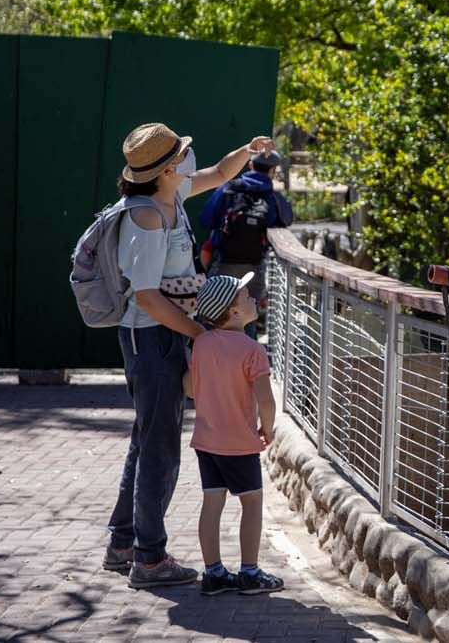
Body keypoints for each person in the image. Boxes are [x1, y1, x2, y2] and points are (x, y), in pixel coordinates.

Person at [103, 123, 274, 589]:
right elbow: (149, 297)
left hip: (166, 335)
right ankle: (150, 559)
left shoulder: (171, 197)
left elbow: (220, 173)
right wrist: (203, 334)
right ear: (166, 169)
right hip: (152, 339)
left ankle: (124, 543)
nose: (188, 157)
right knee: (159, 448)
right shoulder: (146, 219)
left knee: (147, 438)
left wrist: (248, 149)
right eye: (180, 153)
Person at [183, 273, 284, 596]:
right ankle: (250, 573)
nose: (253, 297)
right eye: (246, 296)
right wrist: (266, 429)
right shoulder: (252, 350)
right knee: (252, 503)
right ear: (235, 312)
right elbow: (266, 400)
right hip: (239, 444)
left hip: (206, 440)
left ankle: (213, 573)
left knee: (212, 502)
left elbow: (189, 388)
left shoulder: (201, 344)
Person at [199, 150, 293, 337]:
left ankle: (209, 359)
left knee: (212, 316)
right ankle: (244, 362)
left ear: (250, 165)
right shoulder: (273, 198)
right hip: (254, 266)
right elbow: (287, 219)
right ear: (273, 170)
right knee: (247, 318)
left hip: (223, 264)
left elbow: (206, 219)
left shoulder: (228, 189)